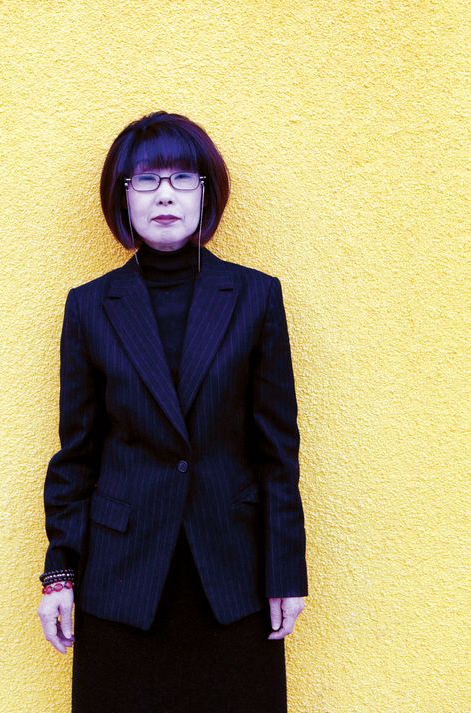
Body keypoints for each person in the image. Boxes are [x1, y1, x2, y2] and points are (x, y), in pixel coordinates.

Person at [37, 111, 308, 713]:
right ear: (123, 197)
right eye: (146, 179)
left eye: (183, 178)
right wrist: (59, 573)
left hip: (232, 577)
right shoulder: (89, 307)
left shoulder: (255, 297)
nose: (165, 194)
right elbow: (77, 453)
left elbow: (277, 450)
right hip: (121, 581)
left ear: (205, 193)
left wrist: (286, 572)